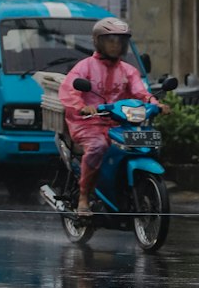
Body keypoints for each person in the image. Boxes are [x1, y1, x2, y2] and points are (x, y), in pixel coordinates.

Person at [58, 17, 165, 216]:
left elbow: (141, 92)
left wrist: (155, 103)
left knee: (148, 142)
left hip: (120, 124)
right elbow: (69, 91)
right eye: (110, 40)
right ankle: (84, 196)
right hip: (89, 124)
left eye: (120, 41)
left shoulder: (128, 71)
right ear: (98, 41)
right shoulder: (85, 67)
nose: (116, 45)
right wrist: (82, 107)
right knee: (98, 146)